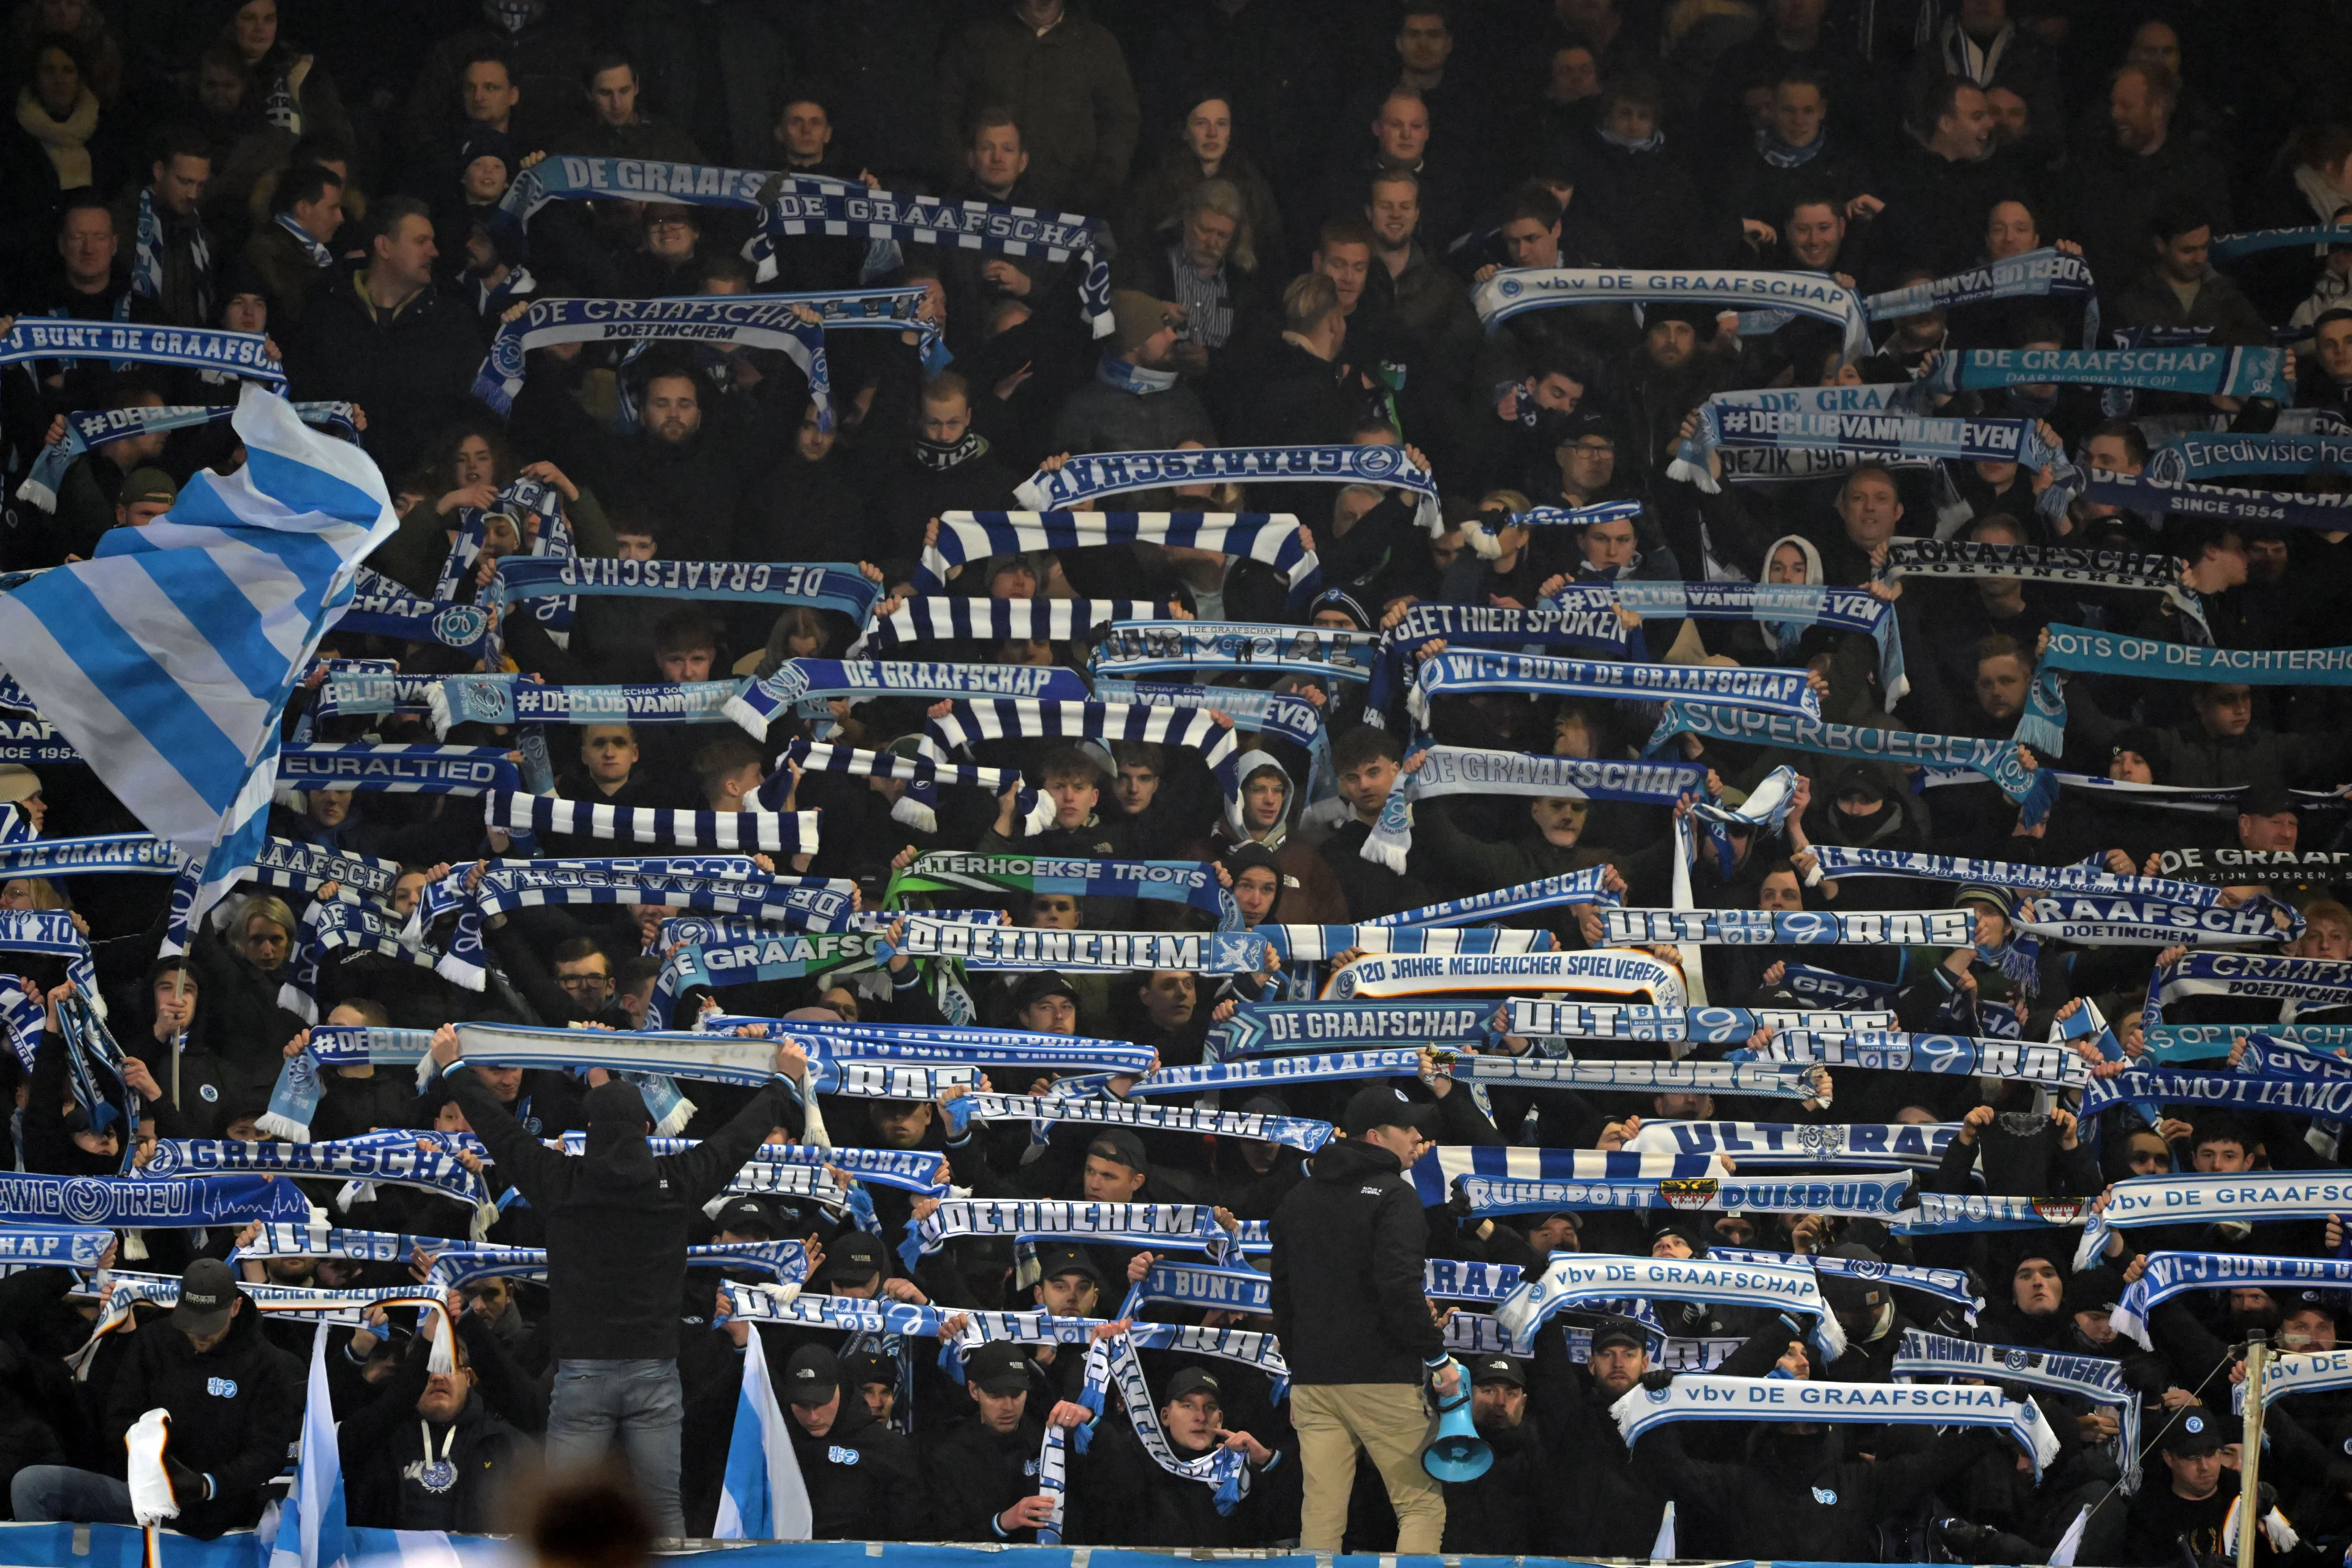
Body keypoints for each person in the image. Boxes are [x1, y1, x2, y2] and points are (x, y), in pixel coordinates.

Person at [425, 1023, 807, 1539]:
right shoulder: (677, 1180)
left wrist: (453, 1070)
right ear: (646, 1131)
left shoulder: (561, 1180)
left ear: (590, 1129)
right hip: (654, 1372)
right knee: (660, 1510)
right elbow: (735, 1142)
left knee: (565, 1512)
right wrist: (782, 1085)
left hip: (581, 1374)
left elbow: (501, 1134)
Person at [1269, 1085, 1453, 1553]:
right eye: (1406, 1127)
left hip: (1314, 1382)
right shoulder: (1396, 1197)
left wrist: (1299, 1372)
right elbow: (1398, 1287)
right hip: (1383, 1379)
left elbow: (1282, 1299)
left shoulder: (1297, 1198)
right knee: (1419, 1504)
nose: (1417, 1136)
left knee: (1322, 1515)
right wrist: (1437, 1357)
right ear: (1375, 1136)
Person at [12, 1258, 301, 1539]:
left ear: (235, 1307)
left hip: (217, 1505)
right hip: (143, 1493)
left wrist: (206, 1485)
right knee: (32, 1485)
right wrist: (152, 1462)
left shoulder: (268, 1364)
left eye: (210, 1325)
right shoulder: (153, 1341)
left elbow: (268, 1452)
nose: (199, 1335)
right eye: (192, 1323)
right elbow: (118, 1418)